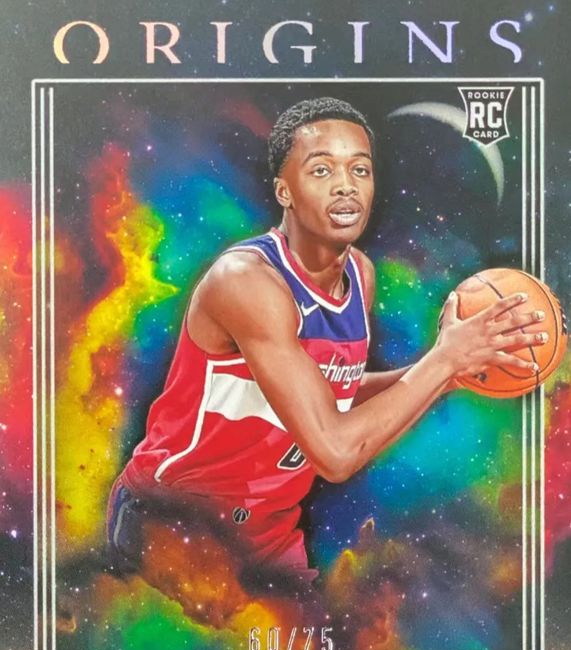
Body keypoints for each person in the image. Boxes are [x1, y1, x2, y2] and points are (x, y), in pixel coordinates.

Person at [107, 97, 546, 613]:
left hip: (269, 536)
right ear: (284, 190)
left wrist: (448, 373)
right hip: (176, 523)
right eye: (322, 169)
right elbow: (334, 452)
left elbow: (329, 396)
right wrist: (443, 362)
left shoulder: (360, 276)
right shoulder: (246, 282)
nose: (345, 185)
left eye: (360, 169)